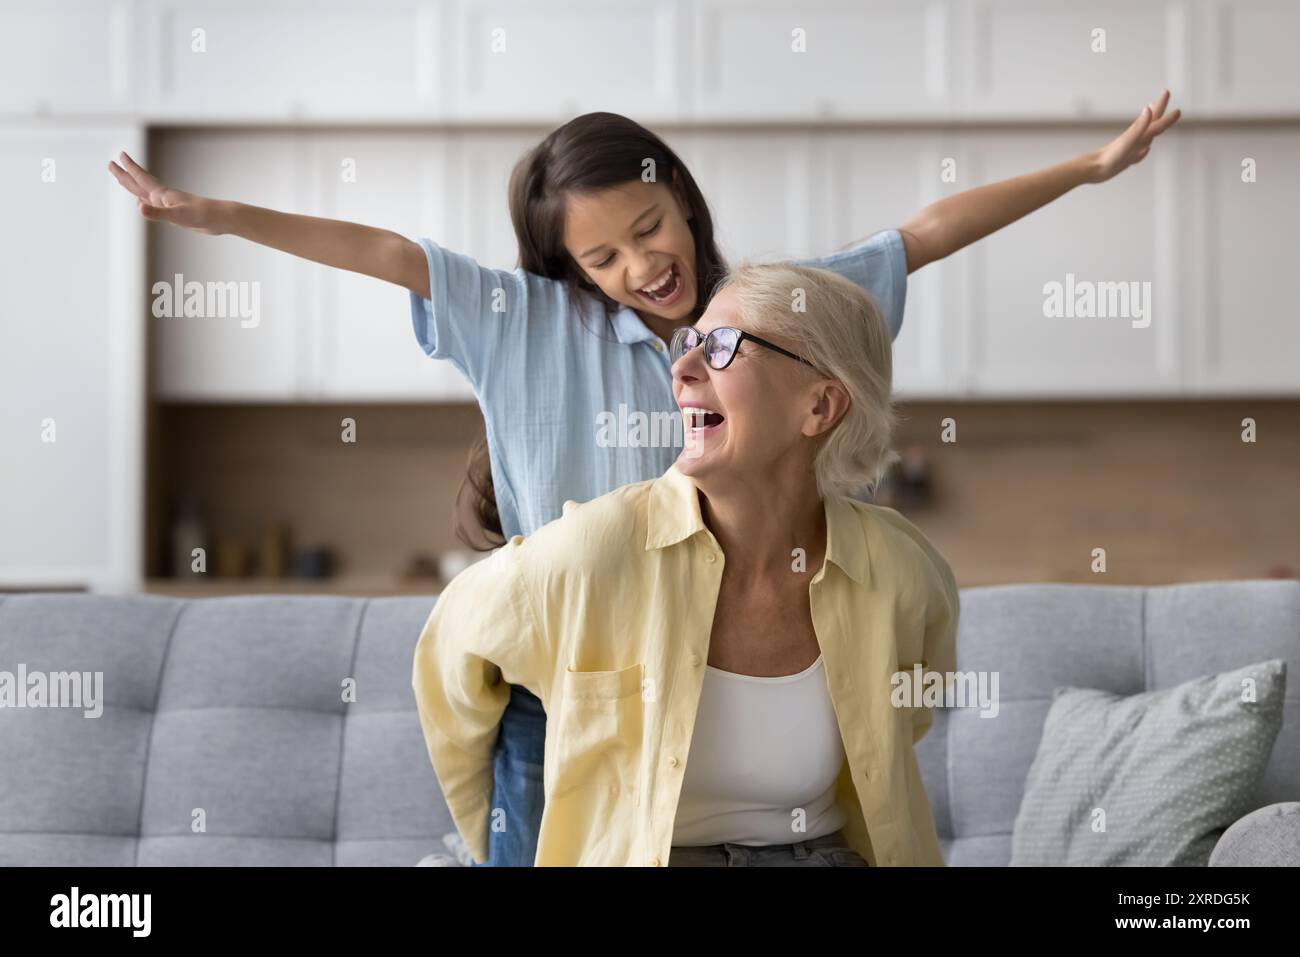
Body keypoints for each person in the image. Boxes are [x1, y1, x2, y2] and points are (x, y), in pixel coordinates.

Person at [108, 93, 1179, 864]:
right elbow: (389, 253)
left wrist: (1085, 169)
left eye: (648, 230)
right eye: (602, 259)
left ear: (683, 200)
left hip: (715, 667)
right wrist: (222, 220)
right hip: (566, 682)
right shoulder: (526, 325)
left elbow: (920, 238)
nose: (639, 268)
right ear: (569, 271)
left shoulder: (764, 319)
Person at [412, 261, 958, 866]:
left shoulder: (901, 570)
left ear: (820, 407)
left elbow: (901, 726)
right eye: (690, 341)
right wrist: (489, 840)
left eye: (723, 347)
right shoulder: (595, 551)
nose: (681, 369)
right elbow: (449, 659)